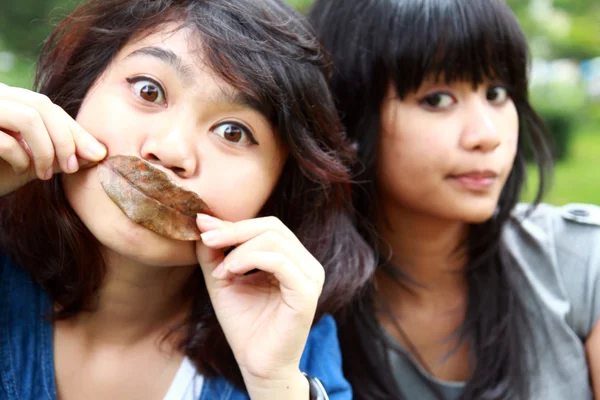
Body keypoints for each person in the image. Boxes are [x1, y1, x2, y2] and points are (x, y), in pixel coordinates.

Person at [0, 0, 375, 399]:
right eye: (149, 90)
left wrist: (274, 383)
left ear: (279, 188)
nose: (171, 150)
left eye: (233, 132)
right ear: (78, 91)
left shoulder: (291, 335)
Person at [307, 0, 600, 399]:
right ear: (347, 116)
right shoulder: (292, 298)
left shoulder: (581, 264)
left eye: (496, 93)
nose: (487, 134)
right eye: (437, 99)